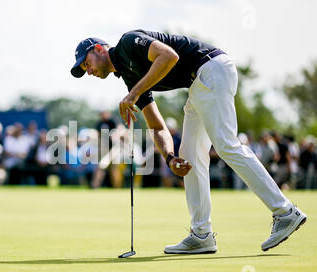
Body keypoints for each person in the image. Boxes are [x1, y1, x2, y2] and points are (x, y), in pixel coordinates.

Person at [71, 29, 307, 253]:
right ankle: (201, 235)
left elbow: (168, 56)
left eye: (86, 63)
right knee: (189, 155)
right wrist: (170, 158)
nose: (88, 70)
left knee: (225, 145)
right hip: (200, 82)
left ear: (100, 49)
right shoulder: (131, 78)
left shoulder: (128, 43)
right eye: (84, 68)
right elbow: (157, 126)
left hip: (211, 68)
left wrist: (133, 95)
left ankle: (284, 211)